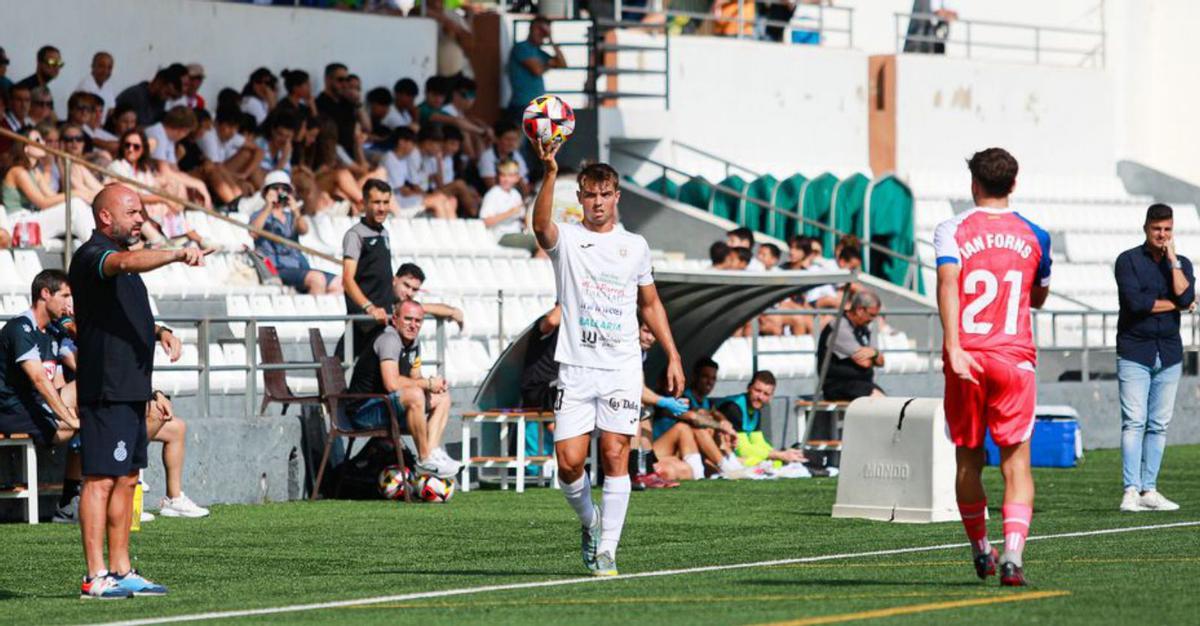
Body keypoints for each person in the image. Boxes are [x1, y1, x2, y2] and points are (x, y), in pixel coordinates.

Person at [533, 140, 685, 577]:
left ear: (616, 197)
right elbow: (541, 228)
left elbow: (651, 304)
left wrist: (672, 354)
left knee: (616, 452)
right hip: (576, 366)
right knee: (568, 463)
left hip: (621, 366)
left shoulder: (635, 246)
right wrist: (548, 173)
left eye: (604, 194)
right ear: (579, 198)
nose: (597, 202)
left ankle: (608, 551)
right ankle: (591, 523)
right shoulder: (569, 240)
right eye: (589, 194)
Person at [68, 184, 209, 599]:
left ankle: (122, 568)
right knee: (100, 480)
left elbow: (127, 315)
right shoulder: (94, 255)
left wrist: (160, 331)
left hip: (133, 388)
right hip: (107, 388)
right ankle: (95, 575)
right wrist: (178, 252)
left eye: (142, 210)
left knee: (128, 479)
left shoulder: (125, 271)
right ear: (105, 217)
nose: (140, 217)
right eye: (132, 211)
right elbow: (126, 262)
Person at [934, 147, 1051, 587]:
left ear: (973, 184)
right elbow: (1038, 296)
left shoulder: (953, 229)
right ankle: (1014, 556)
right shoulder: (1036, 234)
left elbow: (948, 283)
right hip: (1014, 359)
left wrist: (954, 347)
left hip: (968, 356)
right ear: (1014, 184)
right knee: (1016, 465)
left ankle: (982, 549)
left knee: (968, 461)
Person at [1114, 203, 1194, 513]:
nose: (1162, 234)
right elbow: (1136, 304)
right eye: (1156, 229)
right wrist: (1176, 304)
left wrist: (1173, 261)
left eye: (1167, 229)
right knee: (1134, 422)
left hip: (1170, 353)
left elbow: (1186, 296)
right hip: (1135, 350)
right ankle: (1130, 490)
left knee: (1159, 424)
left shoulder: (1182, 263)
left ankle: (1150, 488)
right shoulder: (1128, 260)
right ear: (1146, 228)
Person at [345, 299, 462, 478]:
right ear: (395, 319)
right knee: (415, 395)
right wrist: (427, 384)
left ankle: (432, 453)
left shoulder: (413, 343)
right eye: (408, 319)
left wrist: (433, 387)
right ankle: (424, 459)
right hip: (362, 411)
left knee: (442, 397)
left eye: (418, 321)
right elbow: (391, 384)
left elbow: (415, 378)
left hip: (385, 406)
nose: (413, 325)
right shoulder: (389, 339)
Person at [250, 170, 342, 294]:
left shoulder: (291, 216)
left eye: (285, 189)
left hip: (297, 266)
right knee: (317, 280)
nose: (280, 192)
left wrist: (296, 211)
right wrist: (268, 207)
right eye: (276, 188)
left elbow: (304, 230)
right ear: (267, 192)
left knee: (338, 283)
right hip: (277, 268)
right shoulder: (259, 215)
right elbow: (253, 233)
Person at [2, 127, 95, 241]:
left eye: (42, 139)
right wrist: (76, 193)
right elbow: (42, 202)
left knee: (79, 204)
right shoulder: (18, 171)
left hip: (31, 219)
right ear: (25, 147)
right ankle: (100, 251)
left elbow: (51, 196)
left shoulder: (35, 171)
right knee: (75, 206)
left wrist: (79, 195)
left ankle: (100, 248)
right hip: (18, 225)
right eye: (37, 140)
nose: (43, 143)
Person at [341, 179, 396, 358]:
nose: (382, 208)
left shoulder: (384, 233)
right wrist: (369, 308)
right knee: (344, 369)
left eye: (386, 202)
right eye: (376, 202)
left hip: (384, 319)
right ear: (364, 203)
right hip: (365, 322)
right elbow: (347, 280)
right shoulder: (355, 235)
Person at [717, 370, 804, 468]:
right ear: (749, 388)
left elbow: (758, 442)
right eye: (757, 391)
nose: (760, 397)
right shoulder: (733, 408)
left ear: (771, 397)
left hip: (732, 454)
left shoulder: (756, 408)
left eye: (766, 394)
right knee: (762, 463)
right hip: (718, 455)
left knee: (773, 463)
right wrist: (779, 455)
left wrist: (780, 456)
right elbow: (743, 449)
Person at [816, 289, 885, 401]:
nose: (873, 320)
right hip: (839, 385)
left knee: (888, 403)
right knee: (880, 401)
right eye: (871, 315)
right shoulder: (839, 327)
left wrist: (874, 353)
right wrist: (874, 356)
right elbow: (865, 363)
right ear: (859, 310)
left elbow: (881, 362)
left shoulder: (864, 328)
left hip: (860, 385)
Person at [506, 16, 567, 124]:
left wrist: (551, 40)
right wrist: (548, 64)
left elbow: (562, 64)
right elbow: (537, 70)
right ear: (531, 28)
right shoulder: (522, 47)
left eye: (544, 31)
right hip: (522, 104)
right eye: (539, 29)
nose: (541, 33)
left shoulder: (539, 52)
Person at [480, 159, 537, 253]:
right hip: (500, 236)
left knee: (545, 242)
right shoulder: (493, 194)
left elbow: (521, 217)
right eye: (503, 175)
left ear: (517, 178)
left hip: (517, 233)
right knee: (540, 243)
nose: (506, 179)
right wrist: (510, 212)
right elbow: (486, 221)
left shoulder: (516, 194)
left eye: (510, 176)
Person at [392, 262, 465, 330]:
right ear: (394, 280)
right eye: (406, 285)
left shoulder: (402, 302)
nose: (409, 293)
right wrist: (452, 312)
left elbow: (421, 307)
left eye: (414, 289)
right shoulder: (382, 297)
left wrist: (452, 311)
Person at [115, 64, 187, 126]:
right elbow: (130, 128)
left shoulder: (159, 100)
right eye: (167, 93)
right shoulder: (135, 95)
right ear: (159, 82)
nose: (167, 98)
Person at [16, 45, 63, 114]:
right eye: (52, 62)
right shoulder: (25, 88)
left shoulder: (45, 88)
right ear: (39, 63)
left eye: (59, 63)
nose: (57, 67)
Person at [74, 52, 115, 122]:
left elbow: (111, 111)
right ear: (92, 66)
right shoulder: (85, 87)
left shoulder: (107, 86)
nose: (105, 71)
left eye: (109, 68)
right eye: (101, 66)